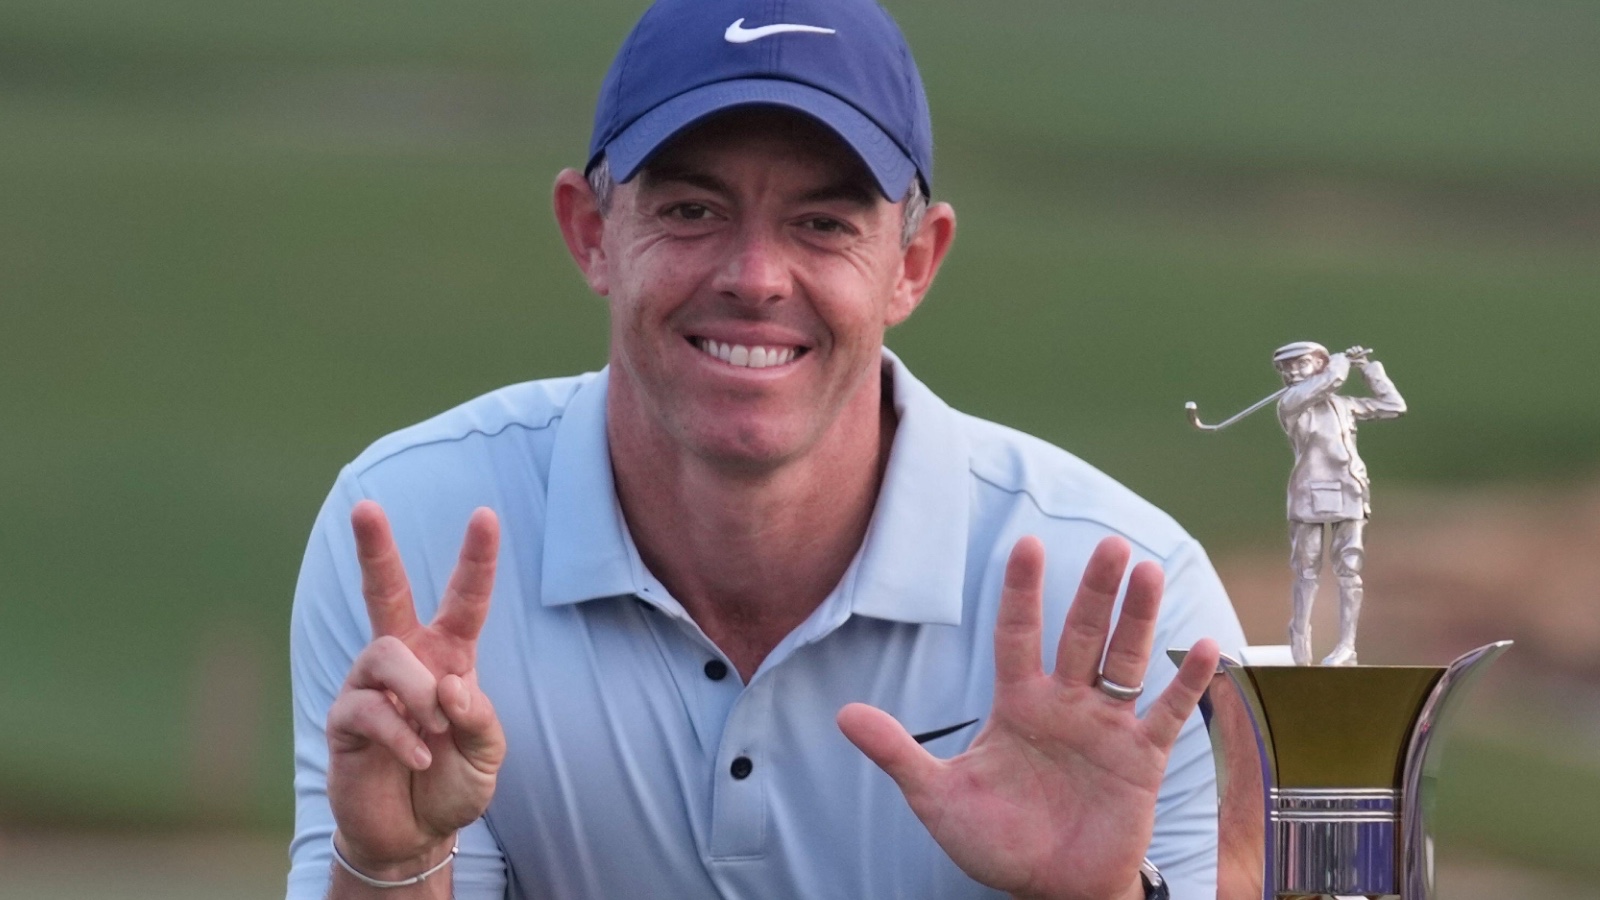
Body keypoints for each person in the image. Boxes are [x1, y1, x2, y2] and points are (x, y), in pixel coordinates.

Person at [287, 1, 1245, 897]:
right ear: (591, 233)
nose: (755, 278)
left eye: (822, 224)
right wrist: (396, 863)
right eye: (692, 211)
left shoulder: (1125, 597)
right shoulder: (414, 531)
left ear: (913, 265)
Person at [1272, 342, 1406, 666]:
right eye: (1287, 369)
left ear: (1317, 363)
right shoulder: (1292, 403)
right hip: (1311, 493)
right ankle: (1301, 637)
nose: (1293, 372)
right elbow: (1329, 381)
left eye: (1301, 364)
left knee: (1350, 568)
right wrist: (1338, 363)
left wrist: (1368, 369)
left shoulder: (1345, 405)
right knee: (1307, 569)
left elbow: (1393, 405)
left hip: (1350, 489)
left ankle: (1347, 646)